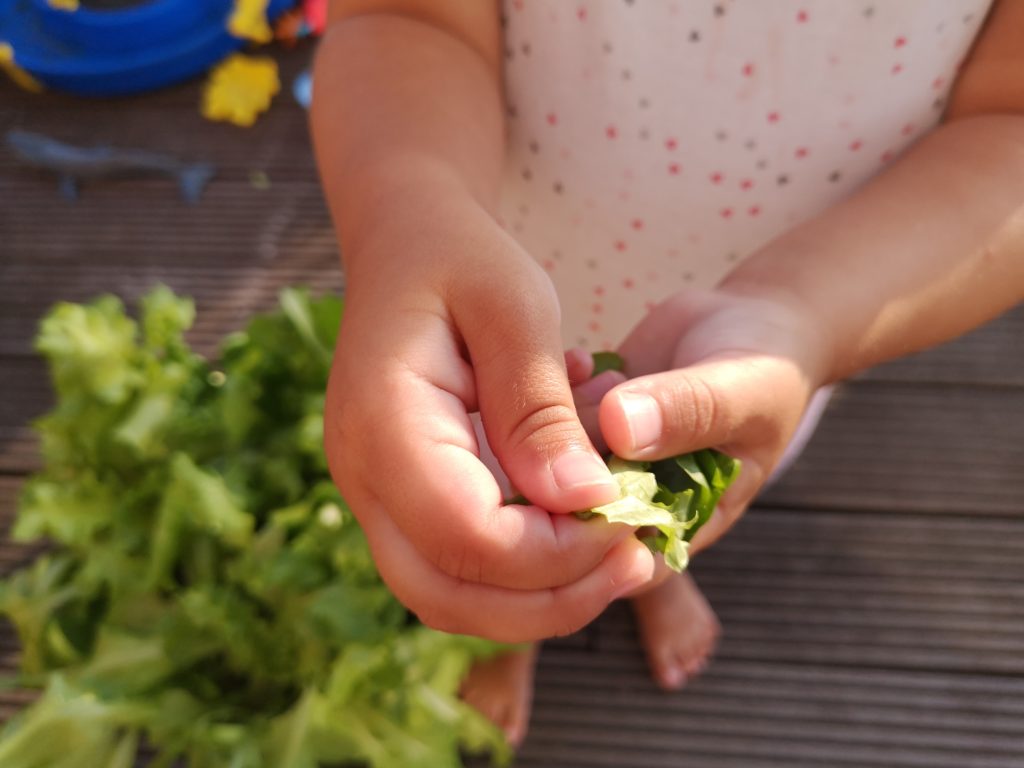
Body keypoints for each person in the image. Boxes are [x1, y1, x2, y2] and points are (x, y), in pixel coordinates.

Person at [311, 0, 1024, 747]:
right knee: (496, 500)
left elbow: (1009, 120)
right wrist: (406, 222)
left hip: (805, 304)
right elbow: (405, 16)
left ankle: (653, 567)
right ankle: (518, 627)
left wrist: (802, 318)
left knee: (676, 473)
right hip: (493, 249)